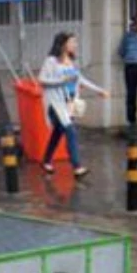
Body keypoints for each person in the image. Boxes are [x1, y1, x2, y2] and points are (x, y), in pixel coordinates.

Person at [37, 31, 110, 177]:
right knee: (70, 130)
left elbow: (80, 79)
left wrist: (99, 90)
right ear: (63, 44)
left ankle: (46, 161)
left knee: (58, 132)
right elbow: (42, 80)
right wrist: (61, 81)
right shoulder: (51, 61)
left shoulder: (71, 61)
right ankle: (77, 166)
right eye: (72, 42)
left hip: (69, 103)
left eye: (75, 42)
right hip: (55, 103)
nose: (75, 45)